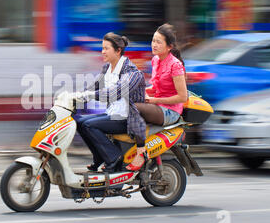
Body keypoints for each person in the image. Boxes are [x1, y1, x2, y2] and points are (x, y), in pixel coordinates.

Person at [75, 32, 147, 172]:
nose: (103, 52)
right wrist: (74, 97)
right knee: (79, 122)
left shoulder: (131, 72)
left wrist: (89, 95)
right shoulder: (107, 68)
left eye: (106, 48)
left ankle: (114, 157)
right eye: (102, 48)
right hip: (112, 114)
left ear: (118, 50)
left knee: (90, 126)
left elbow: (115, 92)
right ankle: (100, 157)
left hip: (127, 118)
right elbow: (93, 87)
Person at [126, 23, 188, 171]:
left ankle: (141, 153)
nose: (154, 44)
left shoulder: (175, 65)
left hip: (170, 111)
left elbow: (182, 97)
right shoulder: (155, 60)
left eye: (158, 42)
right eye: (153, 40)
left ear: (169, 47)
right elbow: (156, 88)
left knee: (133, 107)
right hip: (157, 106)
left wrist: (154, 100)